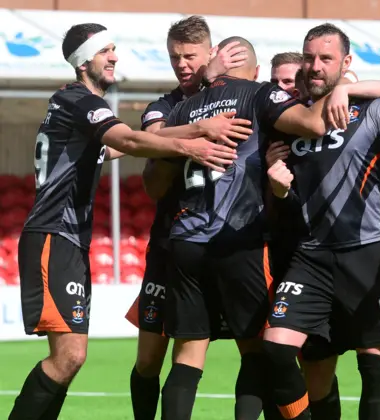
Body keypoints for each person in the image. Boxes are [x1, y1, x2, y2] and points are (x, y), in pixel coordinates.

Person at [9, 22, 238, 419]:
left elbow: (124, 146)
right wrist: (194, 139)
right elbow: (128, 141)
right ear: (84, 62)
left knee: (71, 359)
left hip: (70, 240)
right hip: (53, 235)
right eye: (106, 51)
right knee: (69, 357)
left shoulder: (75, 108)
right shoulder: (80, 100)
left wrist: (183, 130)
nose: (114, 57)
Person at [159, 36, 380, 419]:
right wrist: (347, 90)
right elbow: (317, 123)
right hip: (241, 239)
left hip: (186, 237)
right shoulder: (257, 96)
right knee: (259, 351)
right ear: (255, 74)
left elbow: (144, 151)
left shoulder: (186, 107)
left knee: (186, 357)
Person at [264, 23, 380, 420]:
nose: (315, 66)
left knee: (378, 368)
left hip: (368, 252)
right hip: (310, 258)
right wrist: (279, 189)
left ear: (345, 63)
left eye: (325, 58)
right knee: (276, 348)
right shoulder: (291, 121)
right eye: (309, 58)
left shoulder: (375, 111)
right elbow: (290, 199)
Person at [123, 16, 251, 420]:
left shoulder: (239, 99)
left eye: (190, 56)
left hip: (232, 242)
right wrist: (195, 128)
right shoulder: (165, 107)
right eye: (175, 56)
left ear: (210, 54)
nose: (181, 63)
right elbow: (151, 158)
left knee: (254, 347)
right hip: (170, 245)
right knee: (149, 358)